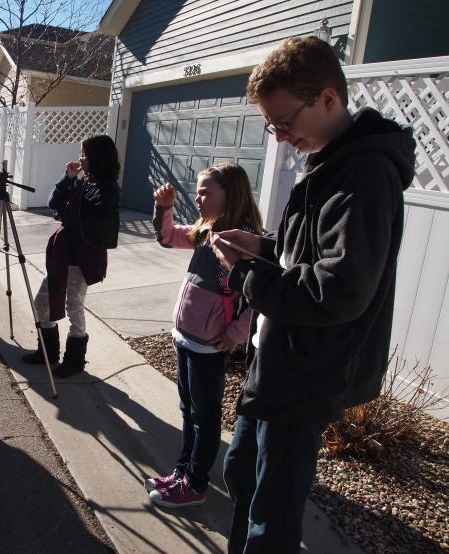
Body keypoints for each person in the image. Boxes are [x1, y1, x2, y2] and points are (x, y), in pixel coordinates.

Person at [210, 37, 416, 553]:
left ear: (328, 98)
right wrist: (262, 245)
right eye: (271, 127)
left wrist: (243, 276)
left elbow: (338, 288)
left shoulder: (364, 174)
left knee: (272, 509)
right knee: (241, 472)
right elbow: (307, 250)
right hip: (280, 360)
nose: (279, 138)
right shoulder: (331, 160)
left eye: (284, 123)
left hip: (307, 371)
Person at [145, 164, 262, 508]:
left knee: (205, 418)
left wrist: (236, 335)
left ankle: (195, 483)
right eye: (198, 191)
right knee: (188, 410)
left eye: (206, 192)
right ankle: (182, 471)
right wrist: (164, 207)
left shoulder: (242, 238)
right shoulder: (209, 229)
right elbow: (167, 237)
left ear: (232, 194)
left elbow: (255, 296)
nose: (198, 198)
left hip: (209, 346)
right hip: (187, 337)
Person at [21, 135, 122, 378]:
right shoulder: (81, 182)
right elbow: (54, 203)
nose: (80, 159)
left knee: (74, 306)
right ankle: (48, 351)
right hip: (62, 253)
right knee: (42, 301)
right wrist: (67, 178)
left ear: (97, 158)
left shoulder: (108, 189)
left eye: (85, 155)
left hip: (82, 258)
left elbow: (83, 220)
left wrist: (66, 212)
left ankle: (75, 360)